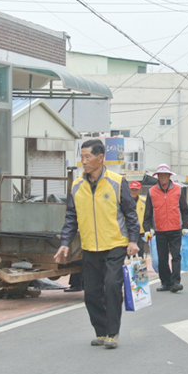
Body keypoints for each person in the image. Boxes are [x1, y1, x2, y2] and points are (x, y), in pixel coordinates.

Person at [55, 139, 140, 349]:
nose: (83, 161)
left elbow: (131, 213)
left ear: (100, 158)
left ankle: (113, 333)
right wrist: (65, 242)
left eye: (87, 157)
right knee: (91, 293)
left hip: (114, 244)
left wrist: (133, 240)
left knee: (111, 286)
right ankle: (101, 332)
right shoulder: (76, 185)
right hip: (90, 247)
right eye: (81, 157)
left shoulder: (117, 182)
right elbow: (70, 217)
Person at [143, 164, 188, 293]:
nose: (163, 178)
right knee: (162, 259)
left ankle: (175, 282)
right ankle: (165, 282)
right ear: (157, 177)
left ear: (169, 176)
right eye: (161, 175)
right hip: (160, 230)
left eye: (165, 175)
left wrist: (185, 226)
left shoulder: (178, 190)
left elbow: (185, 210)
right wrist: (147, 229)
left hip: (176, 229)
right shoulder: (151, 192)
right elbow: (148, 212)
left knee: (176, 256)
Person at [129, 181, 147, 257]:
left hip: (141, 231)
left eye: (136, 190)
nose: (134, 192)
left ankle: (140, 267)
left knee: (140, 251)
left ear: (139, 190)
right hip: (128, 231)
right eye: (132, 189)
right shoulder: (125, 200)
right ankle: (129, 267)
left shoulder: (145, 201)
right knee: (129, 252)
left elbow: (148, 215)